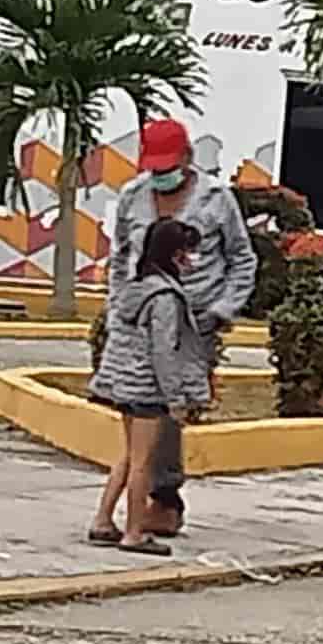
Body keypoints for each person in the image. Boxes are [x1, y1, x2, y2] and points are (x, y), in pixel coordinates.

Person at [107, 118, 256, 535]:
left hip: (193, 323)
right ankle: (127, 509)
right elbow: (120, 257)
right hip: (140, 321)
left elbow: (242, 259)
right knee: (138, 410)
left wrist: (224, 309)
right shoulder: (132, 197)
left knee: (170, 412)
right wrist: (120, 305)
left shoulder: (216, 198)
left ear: (188, 157)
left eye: (168, 166)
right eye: (153, 168)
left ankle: (163, 498)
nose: (160, 176)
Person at [87, 219, 212, 557]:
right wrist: (176, 398)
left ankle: (102, 520)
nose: (192, 257)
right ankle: (134, 532)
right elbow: (164, 351)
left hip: (125, 385)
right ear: (173, 253)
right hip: (147, 388)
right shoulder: (165, 298)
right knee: (143, 462)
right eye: (188, 250)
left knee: (128, 456)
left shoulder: (135, 287)